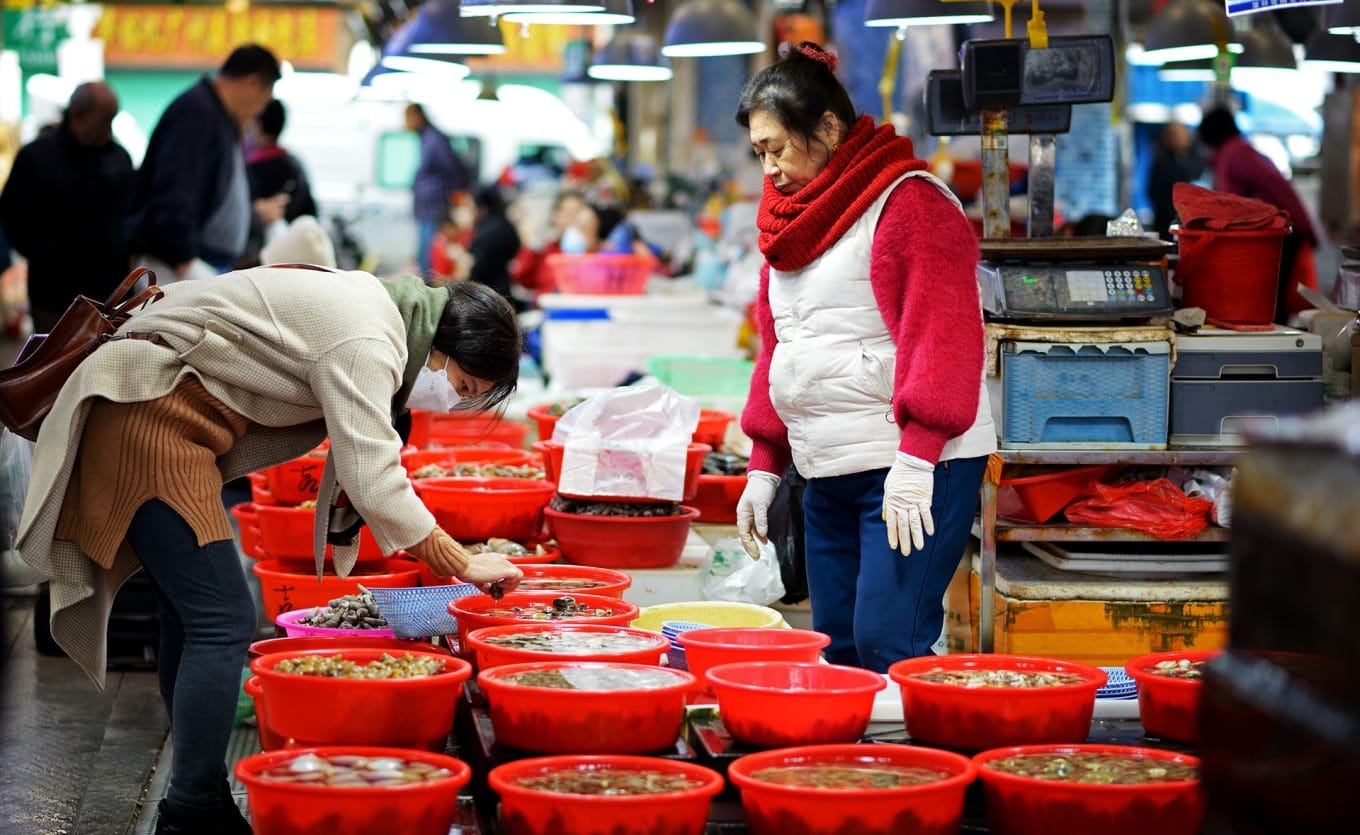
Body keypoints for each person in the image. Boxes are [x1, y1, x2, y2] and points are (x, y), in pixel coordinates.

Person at [15, 268, 525, 834]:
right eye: (465, 388)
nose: (453, 404)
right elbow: (372, 473)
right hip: (149, 417)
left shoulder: (381, 310)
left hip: (159, 413)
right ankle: (192, 811)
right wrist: (461, 562)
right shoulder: (369, 339)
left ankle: (196, 796)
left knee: (191, 616)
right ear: (441, 348)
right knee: (221, 619)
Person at [732, 42, 996, 675]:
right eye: (758, 152)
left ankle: (925, 769)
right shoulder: (790, 223)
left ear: (826, 127)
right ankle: (854, 772)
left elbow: (944, 338)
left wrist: (916, 462)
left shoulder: (909, 204)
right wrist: (765, 465)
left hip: (913, 463)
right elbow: (781, 345)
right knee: (838, 646)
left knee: (888, 640)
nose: (768, 169)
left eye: (777, 148)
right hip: (828, 463)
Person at [126, 44, 281, 282]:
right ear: (252, 83)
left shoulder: (222, 116)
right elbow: (175, 189)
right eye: (264, 100)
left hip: (203, 263)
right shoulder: (196, 112)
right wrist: (185, 262)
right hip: (173, 266)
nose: (261, 109)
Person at [0, 81, 134, 333]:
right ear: (78, 115)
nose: (107, 128)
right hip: (54, 295)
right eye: (103, 120)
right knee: (55, 365)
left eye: (111, 120)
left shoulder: (118, 157)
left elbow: (132, 212)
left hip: (111, 291)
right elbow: (12, 216)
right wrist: (47, 255)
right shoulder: (37, 157)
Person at [1197, 106, 1319, 324]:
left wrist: (1305, 227)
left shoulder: (1237, 154)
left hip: (1273, 237)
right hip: (1267, 238)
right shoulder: (1235, 152)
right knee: (1268, 300)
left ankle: (1275, 349)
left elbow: (1278, 187)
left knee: (1271, 300)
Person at [239, 98, 319, 267]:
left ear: (258, 125)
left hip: (257, 261)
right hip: (295, 260)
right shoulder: (295, 164)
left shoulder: (251, 169)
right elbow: (311, 212)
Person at [406, 102, 472, 279]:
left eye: (407, 118)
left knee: (430, 255)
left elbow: (452, 168)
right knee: (425, 254)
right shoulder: (426, 137)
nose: (405, 124)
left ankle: (429, 291)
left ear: (418, 116)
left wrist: (455, 195)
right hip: (427, 205)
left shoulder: (435, 139)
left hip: (434, 205)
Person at [1146, 122, 1204, 240]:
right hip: (1166, 221)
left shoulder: (1189, 159)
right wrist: (1174, 209)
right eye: (1180, 136)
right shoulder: (1162, 162)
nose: (1185, 139)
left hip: (1182, 218)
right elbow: (1154, 192)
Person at [466, 184, 523, 302]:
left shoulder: (489, 233)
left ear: (482, 209)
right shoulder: (504, 224)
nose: (468, 212)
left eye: (470, 207)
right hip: (502, 292)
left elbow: (476, 272)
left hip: (490, 297)